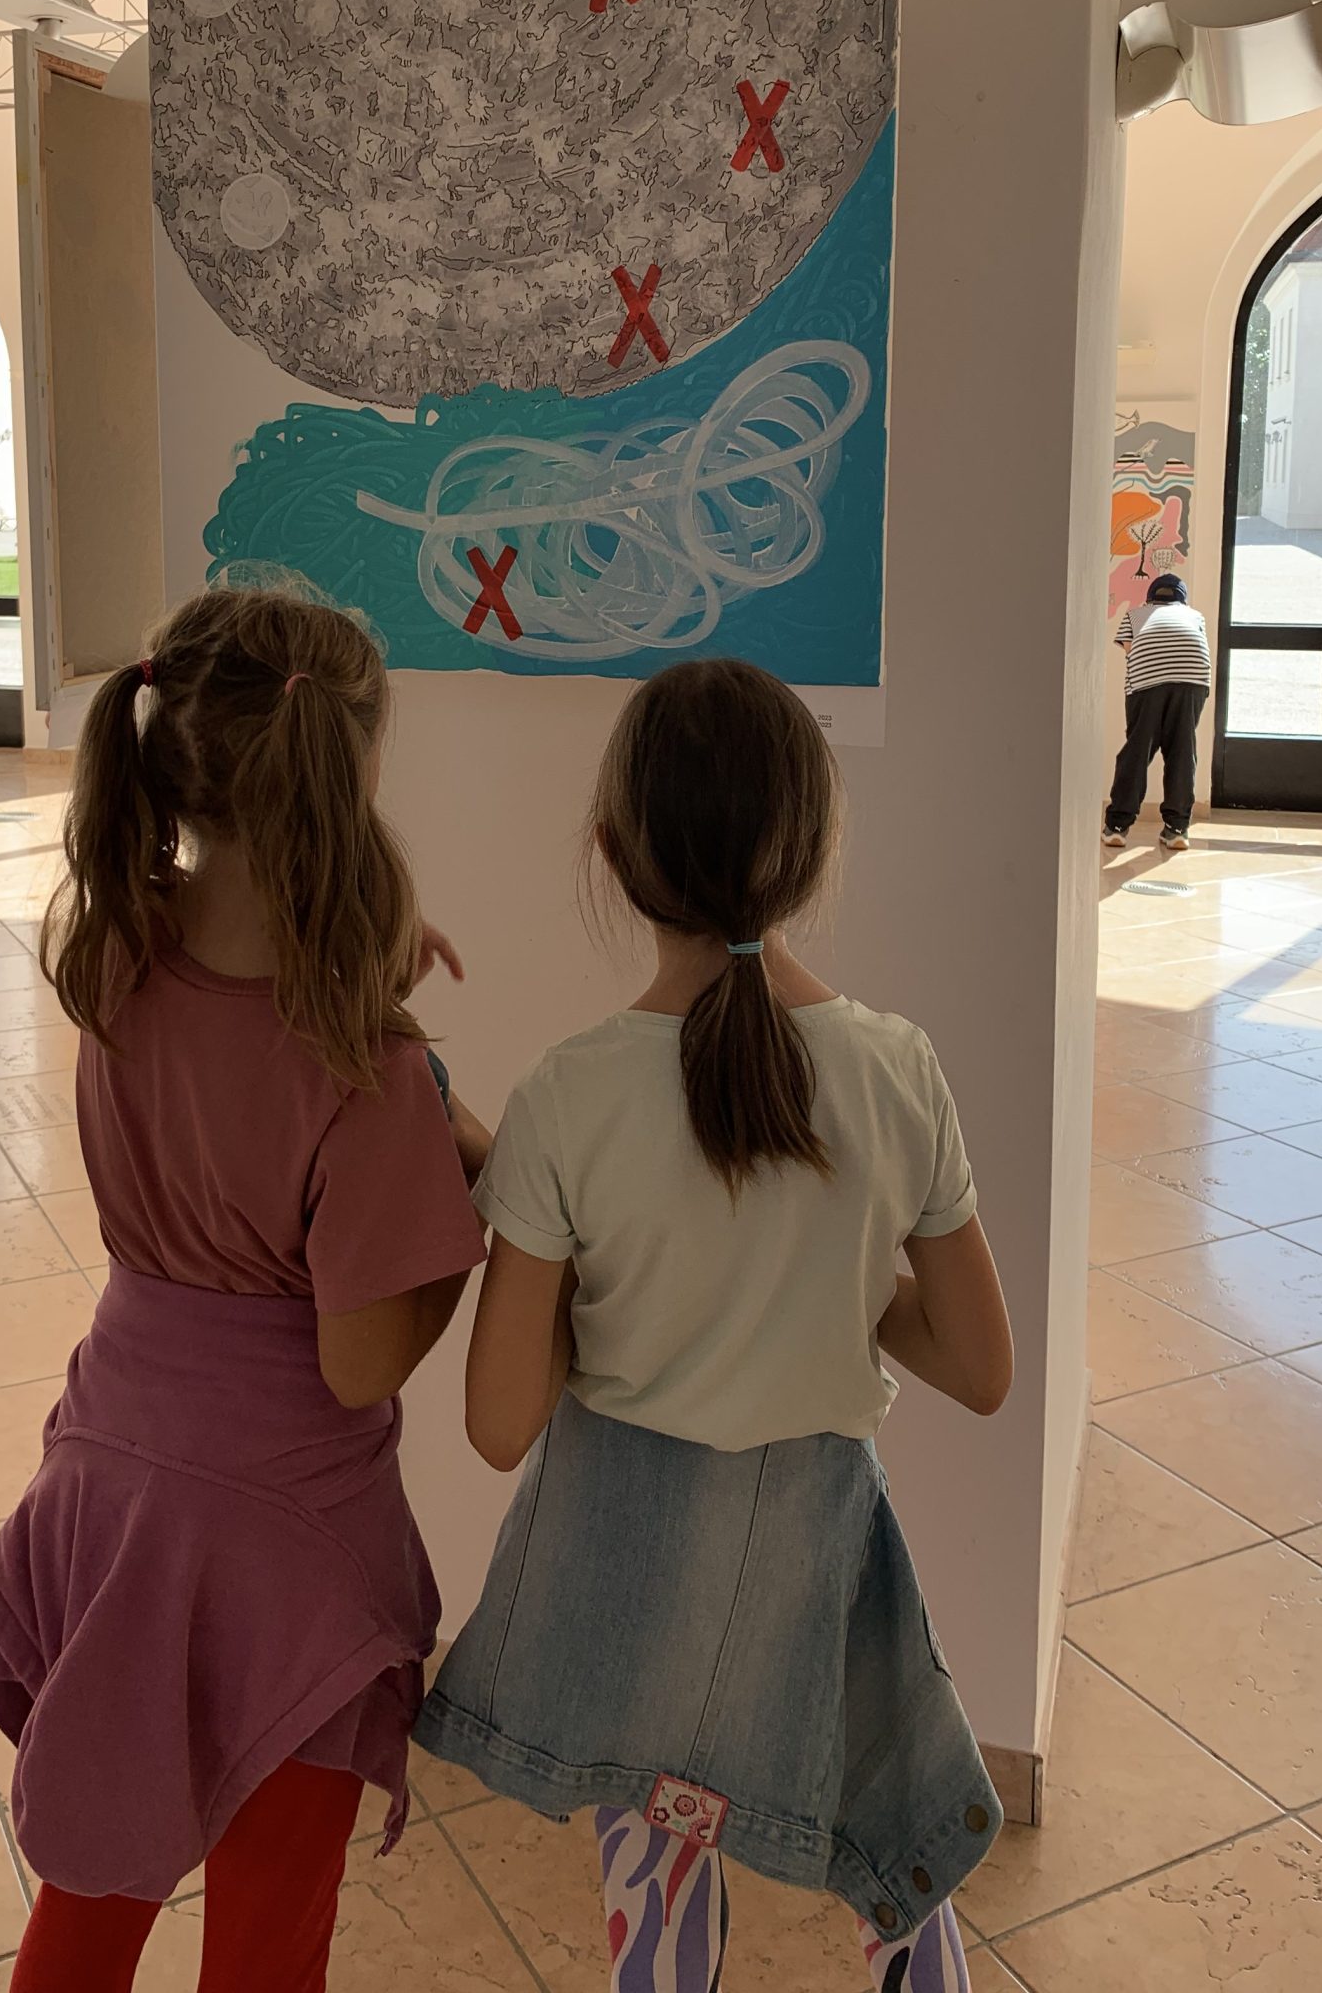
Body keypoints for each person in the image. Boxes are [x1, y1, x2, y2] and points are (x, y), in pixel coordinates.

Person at [417, 658, 1014, 1993]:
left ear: (613, 851)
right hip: (819, 1541)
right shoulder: (898, 1069)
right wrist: (838, 1278)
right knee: (898, 1852)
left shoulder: (568, 1097)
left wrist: (572, 1254)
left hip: (624, 1557)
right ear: (814, 847)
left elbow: (500, 1424)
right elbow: (981, 1367)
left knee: (657, 1879)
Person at [0, 581, 491, 1993]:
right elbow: (361, 1362)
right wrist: (460, 1226)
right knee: (267, 1933)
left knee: (91, 1888)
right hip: (278, 1545)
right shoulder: (366, 1068)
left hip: (111, 1478)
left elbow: (232, 1031)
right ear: (348, 773)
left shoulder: (115, 955)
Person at [1103, 571, 1211, 852]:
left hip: (1148, 681)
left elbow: (1130, 651)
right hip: (1194, 679)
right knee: (1182, 750)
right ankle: (1177, 830)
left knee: (1138, 750)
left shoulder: (1135, 615)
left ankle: (1117, 826)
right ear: (1182, 600)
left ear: (1150, 598)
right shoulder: (1194, 616)